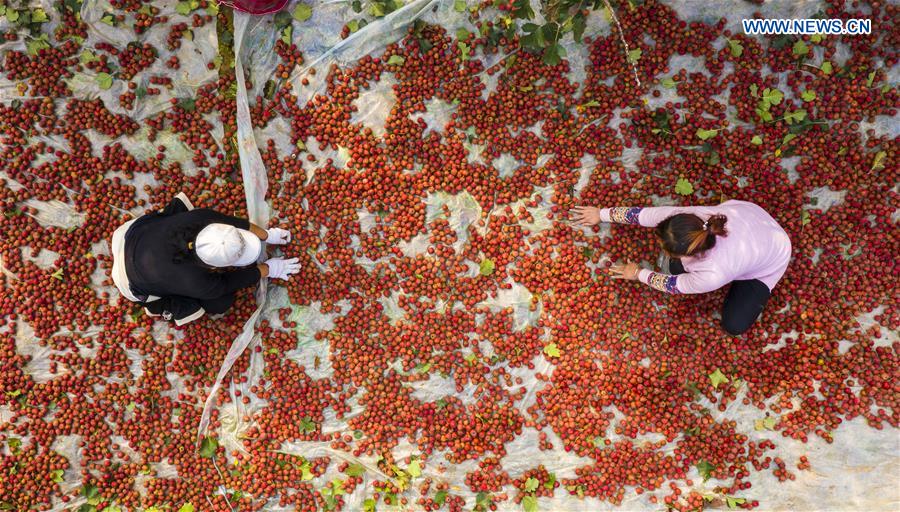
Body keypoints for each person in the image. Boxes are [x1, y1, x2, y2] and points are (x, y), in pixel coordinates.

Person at [571, 200, 791, 335]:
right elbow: (641, 215)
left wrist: (638, 274)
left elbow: (673, 285)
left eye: (667, 249)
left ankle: (741, 277)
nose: (661, 249)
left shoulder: (712, 274)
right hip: (751, 218)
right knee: (673, 265)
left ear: (691, 254)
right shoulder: (688, 220)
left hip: (770, 258)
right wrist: (601, 214)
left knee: (734, 325)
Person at [110, 193, 300, 325]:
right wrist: (269, 269)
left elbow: (237, 223)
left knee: (175, 216)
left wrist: (267, 235)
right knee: (219, 303)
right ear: (212, 267)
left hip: (131, 237)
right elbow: (228, 283)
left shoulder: (200, 219)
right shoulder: (197, 282)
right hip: (130, 278)